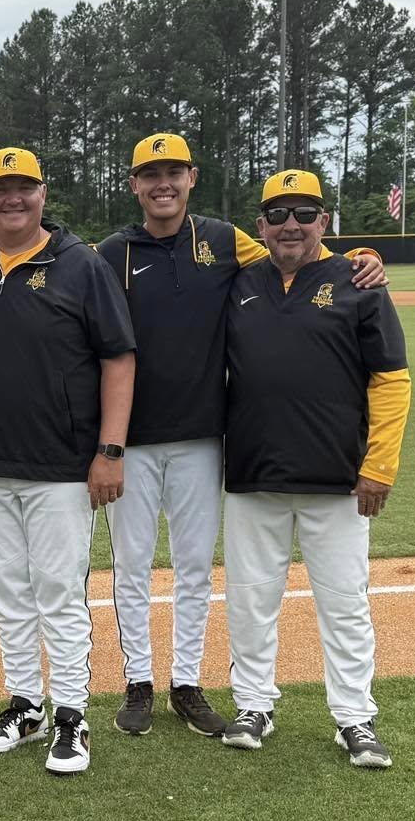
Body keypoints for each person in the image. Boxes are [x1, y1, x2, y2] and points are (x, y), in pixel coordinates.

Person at [96, 134, 386, 739]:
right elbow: (70, 282)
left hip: (205, 435)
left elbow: (299, 251)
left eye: (172, 171)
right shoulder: (112, 251)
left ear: (191, 177)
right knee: (131, 564)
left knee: (196, 567)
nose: (162, 184)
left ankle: (187, 682)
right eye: (150, 174)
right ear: (133, 184)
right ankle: (139, 681)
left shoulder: (227, 240)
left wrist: (357, 259)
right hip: (135, 436)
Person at [0, 147, 135, 776]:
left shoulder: (80, 264)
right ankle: (26, 704)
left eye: (24, 188)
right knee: (6, 587)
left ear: (43, 194)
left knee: (58, 590)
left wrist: (109, 451)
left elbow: (118, 358)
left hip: (61, 462)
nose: (12, 199)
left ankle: (72, 716)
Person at [219, 169, 412, 769]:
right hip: (253, 474)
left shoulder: (358, 280)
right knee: (251, 599)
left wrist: (379, 465)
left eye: (305, 213)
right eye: (278, 214)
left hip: (337, 478)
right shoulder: (239, 282)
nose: (291, 225)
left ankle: (354, 716)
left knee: (344, 601)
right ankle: (253, 704)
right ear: (261, 225)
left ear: (324, 221)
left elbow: (391, 379)